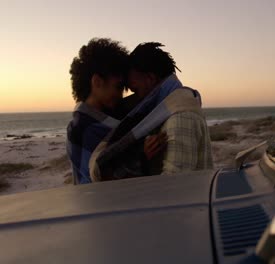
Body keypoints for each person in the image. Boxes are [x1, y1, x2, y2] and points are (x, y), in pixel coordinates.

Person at [66, 38, 165, 184]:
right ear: (97, 82)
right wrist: (142, 157)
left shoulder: (112, 116)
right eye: (118, 87)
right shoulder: (82, 129)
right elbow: (100, 178)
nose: (121, 95)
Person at [126, 42, 213, 174]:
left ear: (150, 78)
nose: (136, 98)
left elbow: (174, 185)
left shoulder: (181, 116)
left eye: (135, 90)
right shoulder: (172, 109)